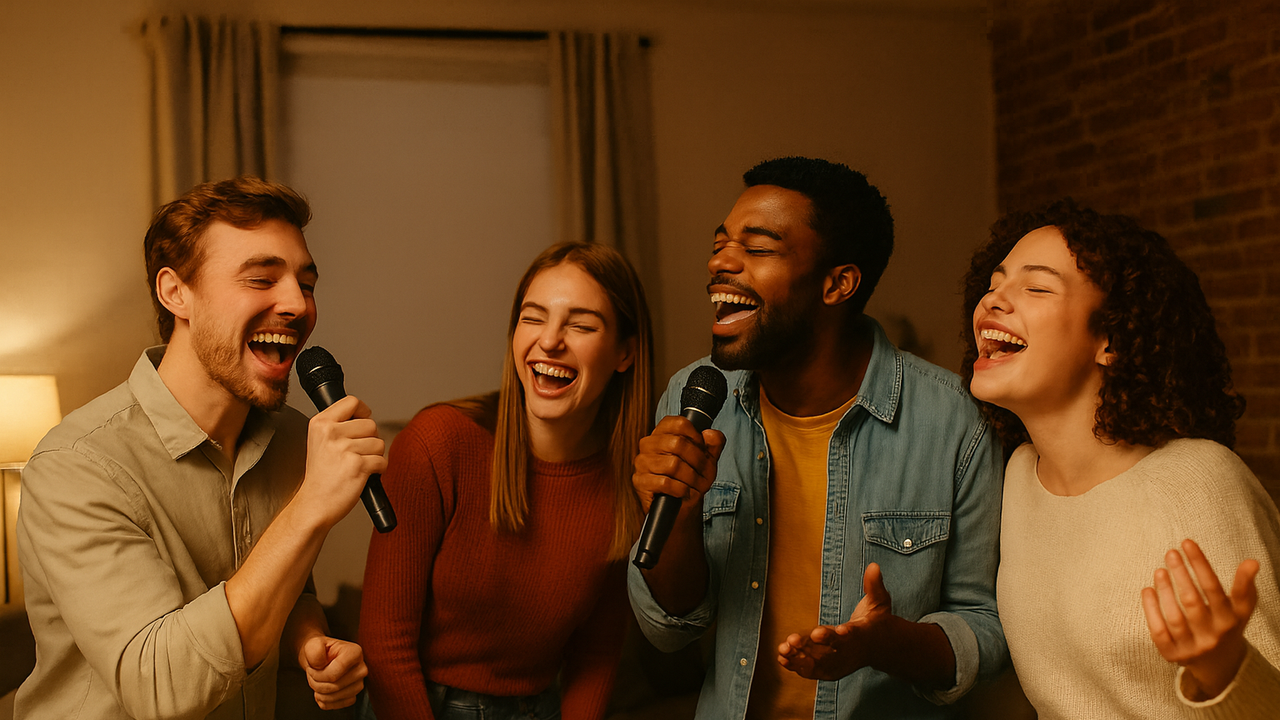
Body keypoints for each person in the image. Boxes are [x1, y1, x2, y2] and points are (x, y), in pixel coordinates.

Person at [627, 156, 1007, 719]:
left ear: (837, 284)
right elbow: (667, 628)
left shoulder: (957, 422)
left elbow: (987, 628)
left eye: (756, 249)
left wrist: (884, 644)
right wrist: (679, 519)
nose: (719, 263)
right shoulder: (694, 400)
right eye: (720, 243)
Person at [15, 177, 384, 718]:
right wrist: (311, 508)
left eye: (305, 284)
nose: (297, 305)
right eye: (261, 278)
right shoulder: (76, 467)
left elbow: (286, 590)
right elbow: (162, 689)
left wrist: (309, 643)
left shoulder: (291, 442)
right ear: (175, 292)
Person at [961, 199, 1280, 717]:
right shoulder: (1018, 475)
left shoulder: (1199, 479)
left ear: (1110, 339)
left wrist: (1225, 667)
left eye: (1036, 286)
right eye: (994, 283)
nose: (994, 300)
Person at [360, 242, 653, 720]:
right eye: (533, 318)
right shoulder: (438, 443)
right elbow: (385, 643)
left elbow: (595, 656)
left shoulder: (631, 482)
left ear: (625, 352)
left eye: (580, 325)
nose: (550, 341)